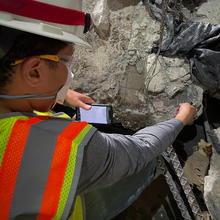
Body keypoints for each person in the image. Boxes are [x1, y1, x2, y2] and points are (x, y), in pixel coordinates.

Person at [0, 0, 196, 219]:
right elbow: (141, 149)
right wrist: (180, 119)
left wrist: (62, 93)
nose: (70, 73)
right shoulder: (64, 148)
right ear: (34, 72)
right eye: (66, 62)